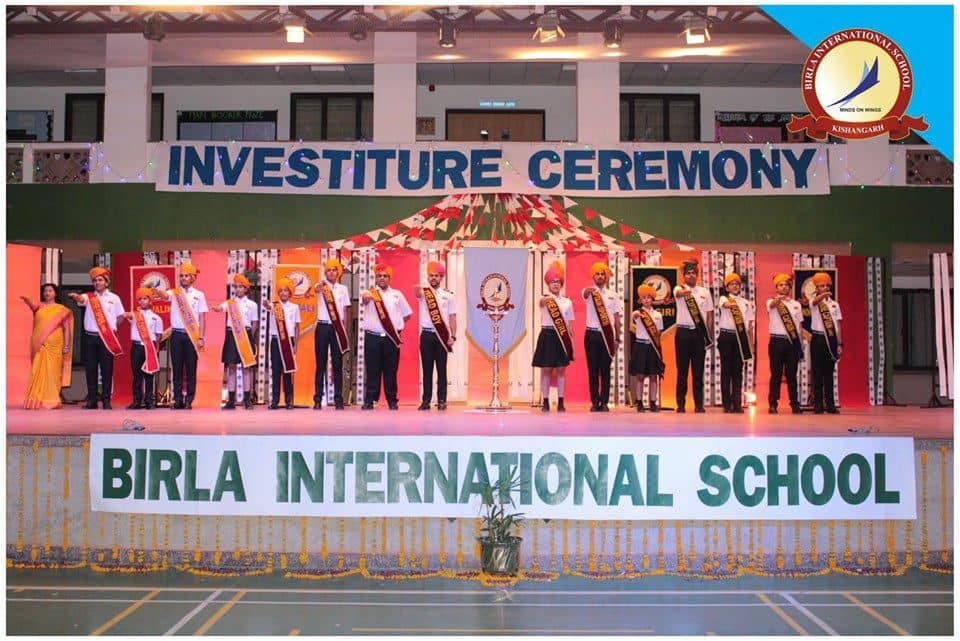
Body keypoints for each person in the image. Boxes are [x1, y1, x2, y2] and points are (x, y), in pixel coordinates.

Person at [152, 262, 207, 410]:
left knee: (191, 369)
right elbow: (165, 296)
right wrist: (158, 292)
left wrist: (201, 337)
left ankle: (189, 399)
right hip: (176, 334)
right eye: (181, 276)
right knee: (176, 368)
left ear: (192, 278)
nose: (183, 278)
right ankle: (177, 400)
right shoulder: (174, 292)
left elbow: (202, 318)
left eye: (186, 276)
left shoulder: (199, 295)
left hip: (192, 336)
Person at [68, 267, 125, 410]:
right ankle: (92, 400)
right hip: (90, 338)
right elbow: (81, 299)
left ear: (106, 282)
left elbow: (120, 317)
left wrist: (111, 328)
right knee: (91, 369)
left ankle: (106, 400)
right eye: (95, 281)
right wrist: (76, 297)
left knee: (107, 369)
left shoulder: (114, 298)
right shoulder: (89, 297)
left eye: (100, 280)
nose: (97, 282)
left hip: (107, 338)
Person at [360, 263, 412, 410]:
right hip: (372, 337)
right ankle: (370, 400)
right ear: (376, 278)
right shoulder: (369, 293)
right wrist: (365, 298)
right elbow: (364, 300)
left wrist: (396, 326)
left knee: (391, 370)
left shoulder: (397, 294)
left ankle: (392, 400)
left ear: (389, 278)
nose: (382, 278)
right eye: (379, 276)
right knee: (372, 370)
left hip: (391, 338)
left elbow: (407, 314)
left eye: (385, 276)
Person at [21, 283, 73, 409]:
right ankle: (35, 400)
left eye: (50, 291)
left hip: (55, 346)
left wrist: (66, 345)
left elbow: (67, 329)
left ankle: (52, 400)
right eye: (45, 291)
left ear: (55, 293)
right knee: (37, 371)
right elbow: (32, 305)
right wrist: (27, 300)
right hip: (39, 344)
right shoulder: (39, 307)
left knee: (52, 372)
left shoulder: (62, 310)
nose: (47, 293)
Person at [414, 260, 457, 411]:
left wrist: (453, 336)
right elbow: (416, 292)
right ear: (428, 277)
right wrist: (420, 287)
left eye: (436, 276)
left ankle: (442, 400)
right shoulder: (424, 293)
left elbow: (452, 317)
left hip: (442, 336)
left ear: (441, 277)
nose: (433, 278)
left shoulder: (448, 295)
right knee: (427, 369)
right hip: (426, 335)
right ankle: (426, 400)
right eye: (431, 275)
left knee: (441, 369)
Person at [211, 273, 259, 410]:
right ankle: (231, 401)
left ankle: (247, 400)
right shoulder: (230, 303)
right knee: (231, 368)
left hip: (246, 336)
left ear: (246, 289)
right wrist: (216, 308)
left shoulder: (252, 305)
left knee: (246, 368)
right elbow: (221, 308)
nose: (238, 289)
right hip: (232, 336)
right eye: (236, 287)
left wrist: (248, 337)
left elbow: (254, 323)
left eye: (240, 287)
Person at [533, 260, 574, 412]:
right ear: (548, 284)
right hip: (547, 335)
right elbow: (542, 302)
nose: (555, 284)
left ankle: (561, 401)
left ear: (561, 284)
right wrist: (551, 299)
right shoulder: (543, 298)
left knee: (561, 370)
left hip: (561, 337)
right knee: (546, 370)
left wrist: (571, 344)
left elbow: (569, 325)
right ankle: (545, 401)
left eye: (558, 281)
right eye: (552, 282)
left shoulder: (567, 302)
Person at [673, 260, 714, 413]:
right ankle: (680, 404)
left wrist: (708, 334)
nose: (691, 276)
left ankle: (699, 404)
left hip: (699, 334)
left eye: (693, 273)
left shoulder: (704, 292)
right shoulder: (679, 288)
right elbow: (678, 294)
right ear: (684, 276)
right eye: (688, 273)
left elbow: (709, 315)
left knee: (698, 371)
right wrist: (686, 292)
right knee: (682, 371)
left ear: (697, 275)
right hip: (682, 333)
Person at [581, 261, 623, 412]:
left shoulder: (613, 295)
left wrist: (617, 338)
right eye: (597, 274)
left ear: (606, 277)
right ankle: (594, 402)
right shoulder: (589, 292)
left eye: (602, 274)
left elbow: (617, 318)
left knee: (605, 371)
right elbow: (585, 294)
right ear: (593, 276)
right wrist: (591, 291)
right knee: (593, 370)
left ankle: (604, 402)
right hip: (591, 334)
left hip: (608, 336)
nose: (600, 276)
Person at [313, 258, 351, 410]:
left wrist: (345, 330)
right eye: (328, 270)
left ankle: (338, 399)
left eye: (334, 270)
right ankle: (317, 398)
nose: (331, 272)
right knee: (320, 364)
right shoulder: (321, 286)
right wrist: (318, 286)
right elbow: (315, 289)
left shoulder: (343, 289)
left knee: (337, 364)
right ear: (325, 272)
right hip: (322, 326)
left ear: (338, 272)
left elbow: (346, 310)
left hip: (337, 328)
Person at [716, 273, 755, 414]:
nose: (735, 286)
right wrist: (734, 303)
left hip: (741, 338)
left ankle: (737, 403)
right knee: (726, 371)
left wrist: (751, 344)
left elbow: (749, 326)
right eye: (732, 284)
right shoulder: (724, 298)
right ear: (727, 287)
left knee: (738, 371)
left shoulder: (746, 303)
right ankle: (727, 404)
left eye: (737, 284)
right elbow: (726, 305)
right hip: (726, 336)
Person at [766, 273, 805, 414]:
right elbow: (772, 305)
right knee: (776, 374)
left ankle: (794, 404)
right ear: (776, 287)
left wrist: (801, 344)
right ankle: (773, 403)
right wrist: (779, 300)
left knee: (792, 375)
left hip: (792, 343)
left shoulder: (796, 304)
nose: (784, 287)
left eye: (786, 285)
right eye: (781, 285)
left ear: (790, 287)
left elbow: (799, 326)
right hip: (776, 341)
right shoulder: (771, 301)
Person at [122, 287, 163, 410]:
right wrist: (126, 314)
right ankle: (137, 401)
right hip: (136, 347)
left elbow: (159, 335)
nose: (142, 301)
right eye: (140, 299)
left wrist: (155, 348)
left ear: (150, 301)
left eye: (145, 299)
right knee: (137, 375)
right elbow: (125, 315)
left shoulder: (156, 318)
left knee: (149, 375)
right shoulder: (135, 315)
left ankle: (149, 401)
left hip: (149, 348)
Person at [809, 271, 843, 414]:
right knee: (817, 373)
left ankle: (830, 404)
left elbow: (838, 325)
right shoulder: (814, 302)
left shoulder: (835, 304)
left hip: (831, 339)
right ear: (816, 288)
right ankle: (818, 405)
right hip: (817, 339)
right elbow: (814, 302)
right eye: (822, 286)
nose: (825, 288)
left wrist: (840, 344)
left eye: (827, 286)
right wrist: (821, 296)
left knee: (829, 373)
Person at [630, 284, 664, 412]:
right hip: (640, 346)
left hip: (652, 347)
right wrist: (636, 315)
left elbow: (659, 333)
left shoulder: (658, 315)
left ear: (652, 299)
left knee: (653, 376)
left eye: (648, 297)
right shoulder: (638, 313)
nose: (646, 300)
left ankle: (653, 402)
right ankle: (639, 402)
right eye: (643, 298)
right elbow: (634, 316)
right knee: (640, 376)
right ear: (640, 300)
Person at [268, 277, 301, 410]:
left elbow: (297, 327)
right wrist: (266, 304)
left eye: (285, 290)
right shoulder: (273, 305)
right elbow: (266, 306)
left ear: (290, 292)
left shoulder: (295, 307)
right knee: (276, 371)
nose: (283, 293)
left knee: (288, 372)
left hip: (289, 341)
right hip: (276, 341)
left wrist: (295, 344)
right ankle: (275, 401)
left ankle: (289, 401)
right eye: (281, 291)